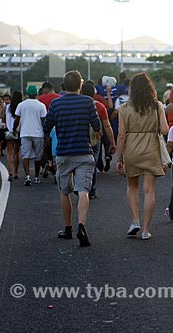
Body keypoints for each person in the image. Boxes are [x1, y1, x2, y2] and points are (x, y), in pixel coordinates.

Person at [43, 70, 101, 247]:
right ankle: (81, 226)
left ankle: (67, 229)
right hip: (84, 151)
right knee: (83, 190)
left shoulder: (56, 104)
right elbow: (97, 125)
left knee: (64, 191)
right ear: (80, 85)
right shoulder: (88, 102)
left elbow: (46, 127)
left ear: (64, 85)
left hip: (64, 153)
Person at [116, 72, 169, 240]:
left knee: (132, 187)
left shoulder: (124, 108)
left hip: (131, 148)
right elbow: (165, 130)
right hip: (151, 149)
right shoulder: (157, 105)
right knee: (149, 191)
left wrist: (118, 158)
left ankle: (135, 221)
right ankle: (146, 230)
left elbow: (121, 135)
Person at [80, 84, 116, 198]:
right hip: (95, 139)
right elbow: (106, 125)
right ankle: (91, 191)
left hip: (80, 138)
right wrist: (112, 143)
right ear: (93, 94)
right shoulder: (99, 106)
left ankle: (80, 188)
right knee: (93, 164)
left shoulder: (78, 105)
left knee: (79, 163)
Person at [13, 85, 47, 186]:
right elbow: (43, 121)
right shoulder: (41, 106)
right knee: (38, 157)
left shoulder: (21, 105)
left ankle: (27, 176)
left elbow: (17, 119)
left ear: (27, 94)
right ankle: (36, 177)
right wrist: (46, 133)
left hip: (25, 133)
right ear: (36, 94)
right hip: (38, 133)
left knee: (26, 156)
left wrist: (14, 129)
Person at [38, 81, 61, 178]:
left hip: (44, 126)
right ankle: (55, 168)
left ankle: (46, 162)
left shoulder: (40, 99)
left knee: (44, 147)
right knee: (55, 148)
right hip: (57, 127)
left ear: (45, 89)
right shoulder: (59, 98)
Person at [4, 91, 22, 181]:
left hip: (9, 132)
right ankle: (16, 172)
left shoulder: (7, 107)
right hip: (18, 132)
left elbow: (3, 118)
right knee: (16, 153)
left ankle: (10, 172)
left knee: (9, 153)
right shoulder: (21, 107)